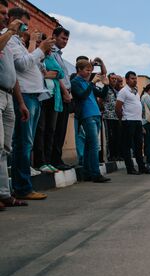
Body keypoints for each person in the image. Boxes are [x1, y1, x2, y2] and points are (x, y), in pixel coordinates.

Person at [8, 7, 55, 200]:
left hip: (34, 96)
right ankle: (23, 187)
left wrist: (41, 51)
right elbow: (21, 65)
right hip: (25, 95)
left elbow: (33, 65)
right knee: (23, 144)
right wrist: (39, 49)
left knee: (26, 142)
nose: (27, 30)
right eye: (25, 25)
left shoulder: (18, 42)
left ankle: (23, 185)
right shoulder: (10, 40)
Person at [0, 0, 29, 210]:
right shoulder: (6, 36)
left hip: (9, 95)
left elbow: (13, 73)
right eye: (1, 13)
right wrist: (9, 31)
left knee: (5, 149)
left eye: (5, 13)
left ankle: (4, 193)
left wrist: (21, 102)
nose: (4, 16)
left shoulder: (8, 39)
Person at [70, 59, 110, 183]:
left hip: (96, 114)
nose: (89, 72)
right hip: (87, 116)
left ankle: (87, 173)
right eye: (87, 70)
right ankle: (95, 173)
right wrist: (92, 83)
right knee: (93, 145)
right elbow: (82, 95)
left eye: (90, 70)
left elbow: (102, 95)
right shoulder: (75, 82)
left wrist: (106, 85)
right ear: (79, 70)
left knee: (89, 146)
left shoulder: (88, 83)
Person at [34, 42, 65, 174]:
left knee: (50, 130)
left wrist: (46, 74)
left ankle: (48, 161)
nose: (50, 49)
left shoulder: (51, 58)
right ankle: (39, 162)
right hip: (41, 97)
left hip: (53, 98)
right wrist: (49, 74)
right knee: (40, 130)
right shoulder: (35, 56)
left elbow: (61, 73)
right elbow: (37, 72)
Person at [116, 71, 150, 175]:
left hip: (137, 122)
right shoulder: (123, 91)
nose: (135, 80)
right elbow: (118, 107)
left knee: (138, 145)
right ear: (127, 80)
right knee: (127, 146)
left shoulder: (136, 92)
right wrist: (122, 119)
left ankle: (142, 167)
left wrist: (141, 123)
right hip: (128, 121)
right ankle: (130, 168)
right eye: (132, 78)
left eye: (135, 78)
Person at [49, 26, 72, 171]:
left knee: (61, 129)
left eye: (67, 39)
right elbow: (58, 76)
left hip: (65, 94)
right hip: (59, 94)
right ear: (54, 36)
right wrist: (65, 92)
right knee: (55, 129)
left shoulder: (59, 55)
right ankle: (54, 160)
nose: (65, 41)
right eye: (63, 38)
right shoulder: (51, 52)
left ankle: (58, 159)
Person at [102, 73, 122, 161]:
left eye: (115, 79)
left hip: (116, 117)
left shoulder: (117, 91)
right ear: (109, 79)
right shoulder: (106, 89)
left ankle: (116, 155)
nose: (114, 80)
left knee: (116, 137)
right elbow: (101, 100)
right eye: (112, 78)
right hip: (108, 116)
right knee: (109, 137)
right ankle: (110, 156)